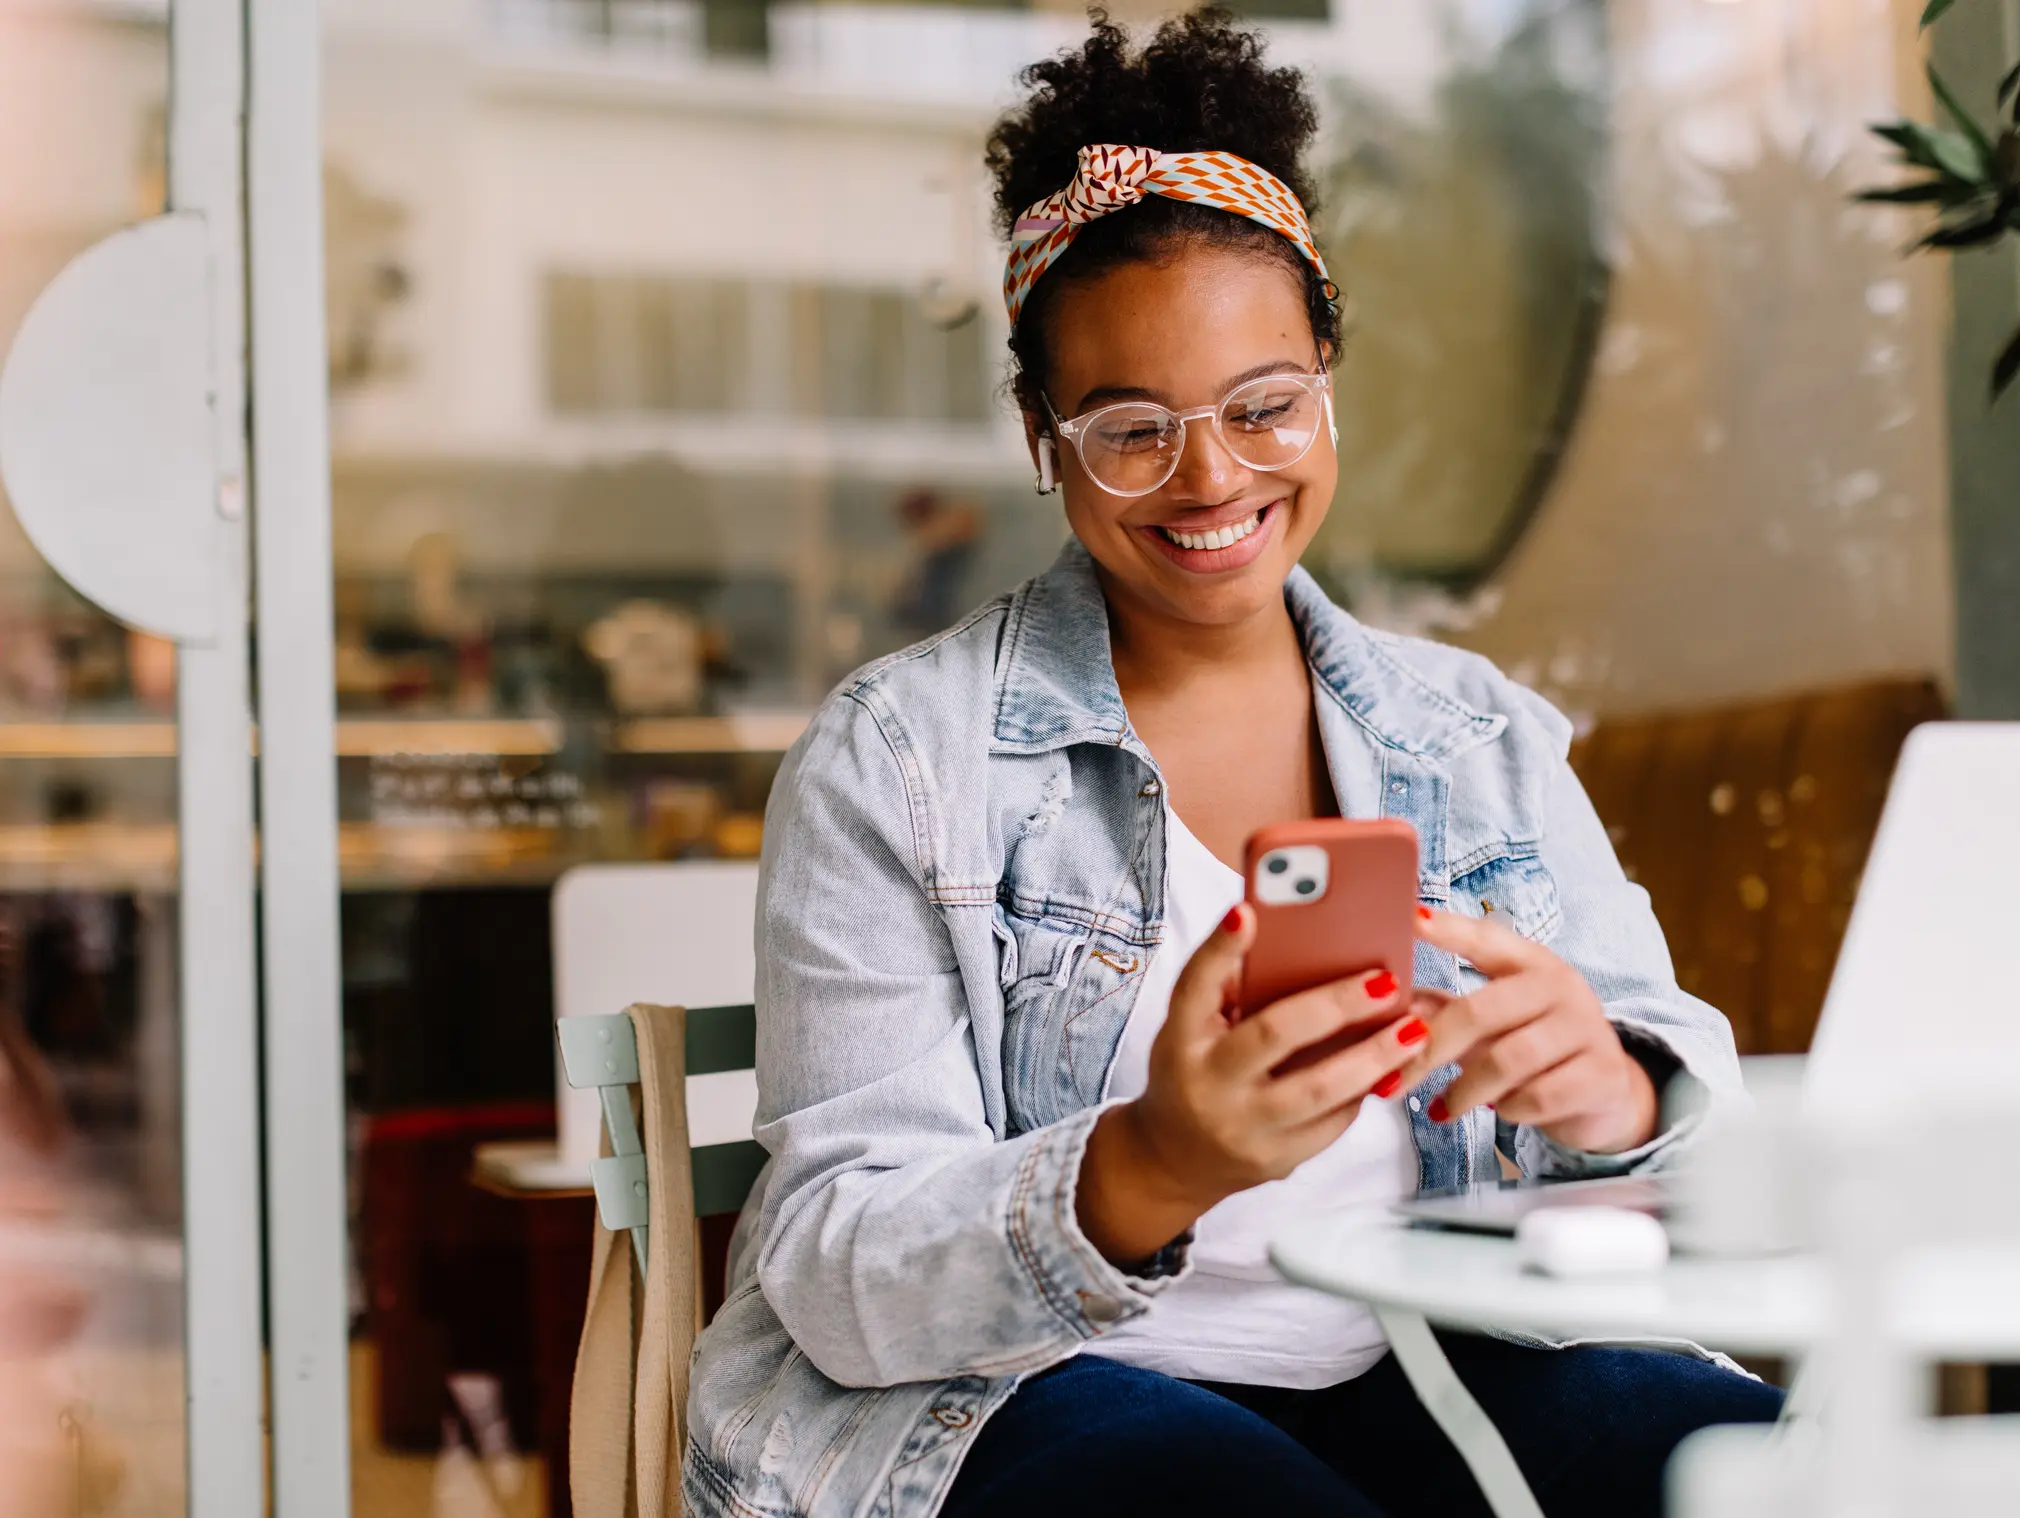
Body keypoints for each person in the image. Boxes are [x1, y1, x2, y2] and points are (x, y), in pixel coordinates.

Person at [684, 13, 1779, 1517]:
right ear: (1040, 433)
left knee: (1769, 1476)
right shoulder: (897, 760)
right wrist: (1144, 1164)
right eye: (1132, 428)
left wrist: (1612, 1090)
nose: (1213, 479)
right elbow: (832, 1257)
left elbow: (1680, 1088)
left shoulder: (1478, 731)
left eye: (1264, 404)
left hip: (1435, 1348)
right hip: (1021, 1396)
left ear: (1327, 376)